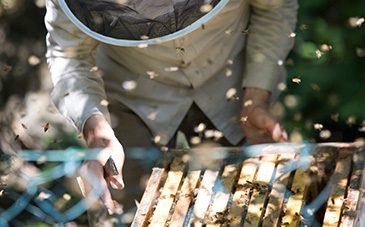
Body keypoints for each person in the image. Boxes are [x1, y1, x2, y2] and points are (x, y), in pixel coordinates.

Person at [44, 0, 297, 225]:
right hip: (130, 92)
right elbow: (69, 57)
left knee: (260, 202)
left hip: (231, 81)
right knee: (112, 206)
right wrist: (97, 131)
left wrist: (257, 97)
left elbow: (275, 9)